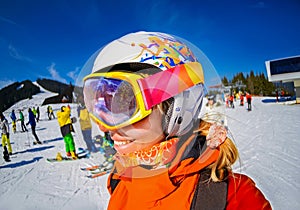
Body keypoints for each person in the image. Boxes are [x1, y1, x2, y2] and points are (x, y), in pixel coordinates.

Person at [81, 31, 271, 209]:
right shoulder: (119, 180)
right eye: (99, 105)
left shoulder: (234, 198)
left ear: (177, 107)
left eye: (124, 105)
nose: (103, 127)